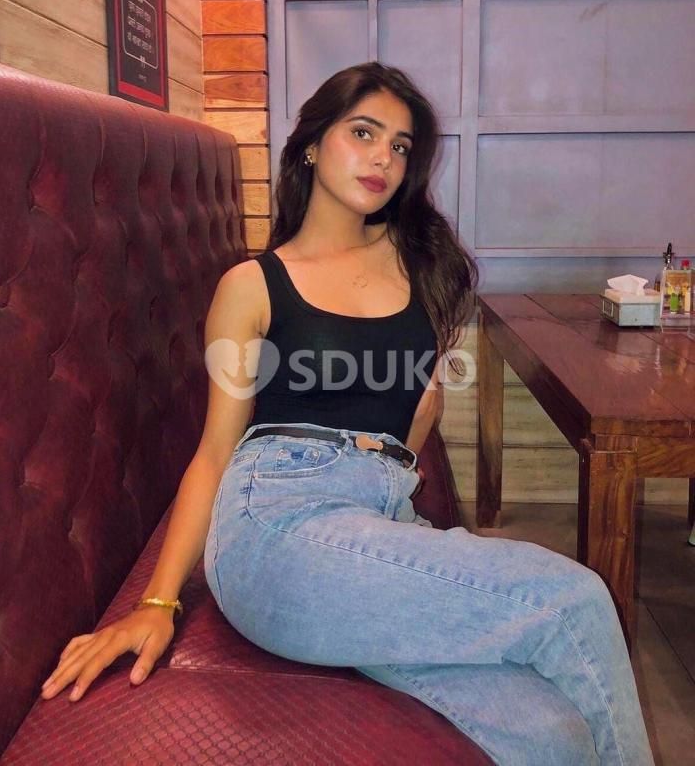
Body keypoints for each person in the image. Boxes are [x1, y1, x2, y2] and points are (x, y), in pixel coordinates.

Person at [40, 62, 654, 766]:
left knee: (554, 733)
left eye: (399, 146)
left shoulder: (415, 264)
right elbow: (214, 452)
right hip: (278, 521)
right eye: (363, 133)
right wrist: (156, 604)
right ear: (311, 145)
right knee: (574, 600)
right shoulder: (252, 286)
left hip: (382, 513)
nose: (383, 157)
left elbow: (413, 420)